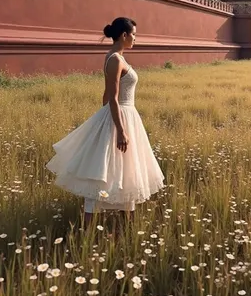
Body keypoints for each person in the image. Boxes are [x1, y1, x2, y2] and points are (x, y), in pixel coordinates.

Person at [46, 17, 165, 228]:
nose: (136, 39)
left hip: (124, 117)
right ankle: (90, 229)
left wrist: (106, 120)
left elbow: (106, 94)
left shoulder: (116, 57)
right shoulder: (115, 60)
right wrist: (118, 129)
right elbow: (113, 97)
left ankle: (125, 225)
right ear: (124, 35)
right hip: (121, 117)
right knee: (105, 170)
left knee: (126, 169)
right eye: (134, 35)